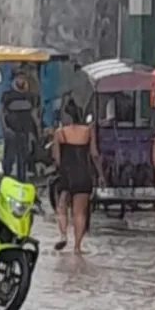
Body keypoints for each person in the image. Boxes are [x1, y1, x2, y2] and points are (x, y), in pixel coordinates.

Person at [52, 101, 105, 253]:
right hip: (83, 175)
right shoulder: (88, 131)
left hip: (67, 175)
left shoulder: (59, 133)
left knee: (62, 207)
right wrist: (100, 175)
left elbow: (57, 157)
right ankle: (77, 247)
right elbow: (94, 154)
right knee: (79, 213)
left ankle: (63, 236)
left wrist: (58, 168)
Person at [0, 66, 40, 178]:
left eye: (23, 78)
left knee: (23, 157)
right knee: (9, 157)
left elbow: (34, 114)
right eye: (19, 78)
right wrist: (5, 128)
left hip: (25, 130)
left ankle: (22, 179)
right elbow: (1, 113)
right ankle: (5, 177)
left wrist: (35, 131)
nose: (21, 80)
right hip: (11, 130)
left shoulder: (30, 96)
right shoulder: (7, 95)